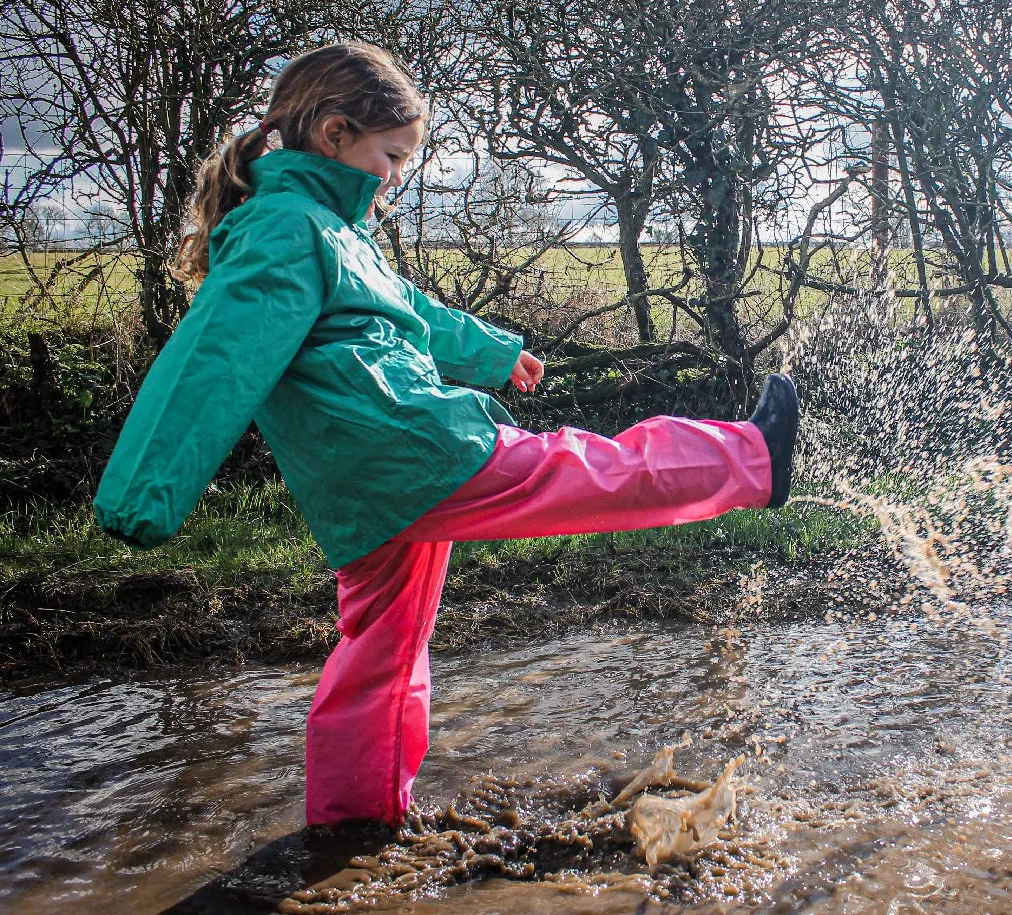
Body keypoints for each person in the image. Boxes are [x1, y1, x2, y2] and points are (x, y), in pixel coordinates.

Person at [93, 42, 799, 828]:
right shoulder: (283, 230)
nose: (397, 174)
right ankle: (754, 458)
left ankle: (354, 827)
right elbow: (212, 361)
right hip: (408, 448)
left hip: (365, 487)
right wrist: (142, 494)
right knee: (586, 469)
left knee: (380, 655)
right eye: (391, 155)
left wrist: (496, 353)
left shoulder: (325, 228)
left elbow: (414, 312)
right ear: (333, 134)